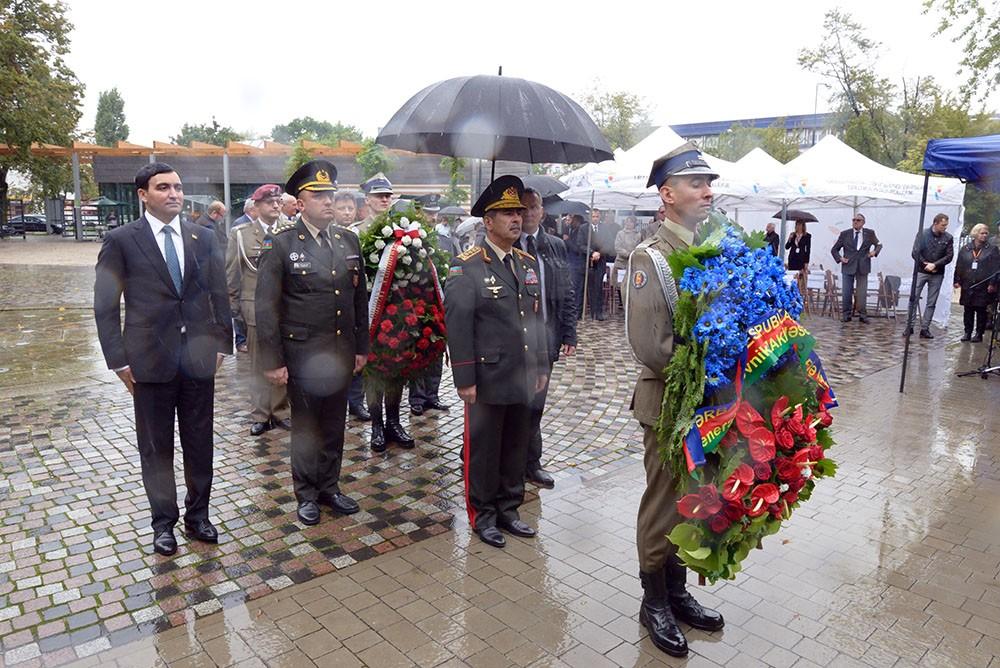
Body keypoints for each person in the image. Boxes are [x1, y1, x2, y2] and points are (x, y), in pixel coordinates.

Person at [94, 162, 232, 556]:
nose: (174, 194)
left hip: (198, 361)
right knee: (156, 449)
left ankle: (199, 515)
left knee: (199, 442)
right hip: (148, 362)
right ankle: (163, 523)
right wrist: (119, 362)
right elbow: (105, 305)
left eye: (177, 186)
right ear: (143, 195)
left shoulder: (202, 237)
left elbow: (219, 293)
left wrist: (223, 343)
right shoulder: (121, 240)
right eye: (163, 187)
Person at [625, 142, 725, 657]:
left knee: (694, 496)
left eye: (709, 182)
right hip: (667, 403)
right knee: (664, 501)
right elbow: (651, 345)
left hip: (707, 404)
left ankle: (678, 590)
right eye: (695, 183)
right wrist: (712, 372)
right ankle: (653, 599)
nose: (708, 190)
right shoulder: (652, 258)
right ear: (667, 194)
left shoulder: (711, 249)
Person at [255, 160, 367, 526]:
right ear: (300, 202)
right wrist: (272, 360)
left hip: (339, 353)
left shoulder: (347, 240)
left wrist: (362, 348)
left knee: (335, 424)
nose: (328, 201)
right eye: (318, 195)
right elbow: (266, 305)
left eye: (331, 194)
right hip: (302, 354)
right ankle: (306, 494)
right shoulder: (282, 243)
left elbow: (358, 300)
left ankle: (329, 487)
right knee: (306, 427)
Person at [445, 175, 548, 548]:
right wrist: (465, 379)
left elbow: (534, 321)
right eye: (506, 213)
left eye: (519, 211)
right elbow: (457, 324)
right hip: (487, 376)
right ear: (487, 222)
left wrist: (538, 367)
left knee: (515, 445)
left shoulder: (525, 262)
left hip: (520, 374)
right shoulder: (467, 265)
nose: (516, 218)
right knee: (485, 449)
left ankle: (509, 509)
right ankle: (483, 515)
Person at [515, 187, 577, 488]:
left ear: (542, 211)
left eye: (534, 207)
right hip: (513, 340)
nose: (528, 213)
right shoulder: (505, 244)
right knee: (511, 402)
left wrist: (569, 332)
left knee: (536, 403)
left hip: (546, 337)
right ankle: (502, 458)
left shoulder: (553, 246)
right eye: (522, 208)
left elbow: (566, 291)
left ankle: (531, 462)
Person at [354, 173, 415, 452]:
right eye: (379, 195)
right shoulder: (356, 232)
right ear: (367, 199)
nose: (384, 199)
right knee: (373, 373)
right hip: (367, 312)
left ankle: (394, 421)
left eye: (388, 195)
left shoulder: (404, 232)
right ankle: (377, 424)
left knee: (396, 370)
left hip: (396, 312)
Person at [226, 184, 291, 436]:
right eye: (268, 202)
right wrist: (236, 311)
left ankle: (281, 410)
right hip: (254, 309)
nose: (275, 206)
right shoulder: (241, 235)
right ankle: (261, 414)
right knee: (258, 364)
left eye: (277, 201)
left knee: (283, 359)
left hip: (286, 308)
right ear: (256, 206)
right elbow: (232, 275)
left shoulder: (290, 231)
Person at [408, 193, 450, 417]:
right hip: (417, 304)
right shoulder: (411, 239)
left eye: (435, 213)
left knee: (436, 351)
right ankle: (416, 397)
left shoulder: (445, 240)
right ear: (418, 213)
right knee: (418, 351)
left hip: (440, 305)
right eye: (428, 212)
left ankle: (432, 394)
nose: (432, 217)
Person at [332, 191, 370, 421]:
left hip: (357, 305)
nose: (347, 212)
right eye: (342, 208)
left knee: (357, 356)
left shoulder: (359, 234)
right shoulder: (333, 237)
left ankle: (356, 402)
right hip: (336, 307)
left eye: (350, 208)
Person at [905, 213, 954, 338]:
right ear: (935, 223)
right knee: (913, 299)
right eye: (943, 225)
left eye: (946, 225)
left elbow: (949, 256)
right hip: (921, 271)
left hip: (937, 273)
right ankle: (909, 326)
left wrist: (935, 265)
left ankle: (925, 328)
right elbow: (915, 252)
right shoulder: (923, 234)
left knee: (931, 302)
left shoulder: (948, 238)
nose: (945, 228)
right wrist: (925, 264)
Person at [830, 212, 882, 323]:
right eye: (853, 220)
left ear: (863, 222)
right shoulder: (845, 234)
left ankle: (862, 315)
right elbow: (834, 249)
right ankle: (846, 314)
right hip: (848, 266)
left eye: (858, 220)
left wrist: (874, 252)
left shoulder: (870, 233)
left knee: (862, 292)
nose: (855, 222)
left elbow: (879, 244)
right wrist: (840, 258)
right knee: (846, 291)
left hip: (863, 266)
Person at [955, 223, 999, 342]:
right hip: (968, 284)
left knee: (981, 310)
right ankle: (967, 332)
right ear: (975, 234)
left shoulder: (992, 249)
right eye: (982, 233)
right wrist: (957, 280)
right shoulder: (966, 249)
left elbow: (996, 269)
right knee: (968, 309)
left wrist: (992, 283)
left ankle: (979, 333)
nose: (984, 235)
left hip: (983, 284)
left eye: (986, 233)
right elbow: (960, 265)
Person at [614, 216, 643, 290]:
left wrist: (634, 254)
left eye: (631, 222)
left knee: (632, 286)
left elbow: (639, 247)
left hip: (633, 264)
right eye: (627, 221)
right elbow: (617, 247)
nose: (628, 223)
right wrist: (627, 254)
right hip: (621, 263)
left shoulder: (638, 235)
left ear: (634, 224)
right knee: (620, 286)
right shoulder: (620, 233)